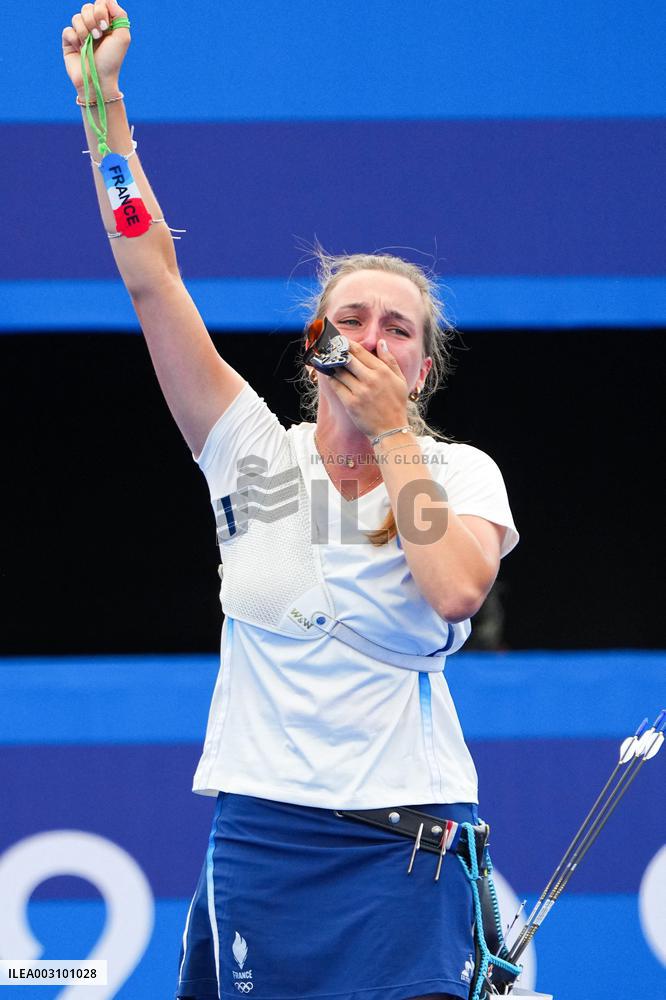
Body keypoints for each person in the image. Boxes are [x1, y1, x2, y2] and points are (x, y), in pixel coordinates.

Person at [62, 6, 520, 999]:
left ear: (423, 367)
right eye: (348, 318)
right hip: (264, 838)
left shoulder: (460, 473)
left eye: (397, 328)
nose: (370, 337)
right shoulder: (250, 454)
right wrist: (102, 105)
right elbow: (152, 279)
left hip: (407, 845)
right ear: (315, 343)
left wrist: (393, 435)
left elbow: (453, 591)